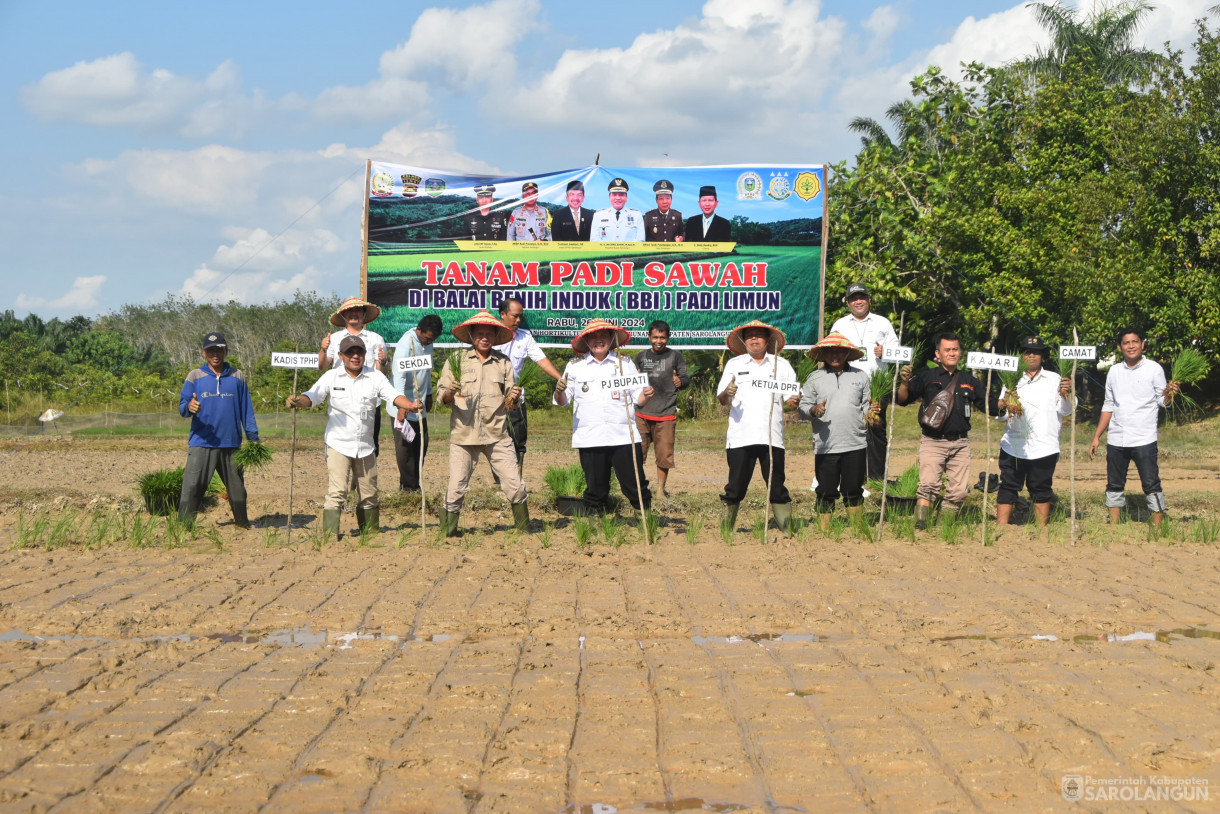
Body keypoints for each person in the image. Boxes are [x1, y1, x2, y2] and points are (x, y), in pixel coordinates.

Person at [287, 336, 416, 538]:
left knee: (370, 494)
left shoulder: (376, 377)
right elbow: (313, 396)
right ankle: (330, 537)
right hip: (338, 444)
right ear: (341, 356)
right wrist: (298, 401)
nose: (355, 356)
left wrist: (409, 404)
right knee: (337, 493)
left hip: (365, 446)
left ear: (365, 355)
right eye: (350, 353)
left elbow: (393, 395)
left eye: (360, 352)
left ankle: (369, 534)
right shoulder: (331, 377)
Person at [896, 331, 1004, 530]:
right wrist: (904, 382)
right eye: (948, 350)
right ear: (938, 353)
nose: (952, 353)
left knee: (960, 490)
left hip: (960, 443)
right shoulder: (926, 377)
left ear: (960, 352)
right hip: (932, 440)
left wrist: (1007, 402)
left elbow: (990, 406)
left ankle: (945, 525)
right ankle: (921, 525)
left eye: (955, 349)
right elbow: (902, 399)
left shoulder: (970, 381)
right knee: (928, 485)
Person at [435, 311, 530, 536]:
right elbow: (441, 397)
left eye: (489, 334)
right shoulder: (456, 360)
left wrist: (514, 397)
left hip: (496, 434)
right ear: (471, 335)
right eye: (480, 334)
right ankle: (447, 532)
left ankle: (525, 531)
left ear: (496, 336)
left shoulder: (503, 362)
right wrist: (450, 392)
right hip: (463, 435)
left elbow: (510, 403)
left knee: (514, 485)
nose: (485, 337)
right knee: (457, 486)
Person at [553, 319, 653, 514]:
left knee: (635, 484)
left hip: (624, 434)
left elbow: (638, 398)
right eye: (594, 336)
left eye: (604, 336)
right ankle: (595, 526)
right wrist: (559, 391)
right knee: (595, 488)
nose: (599, 340)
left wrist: (647, 395)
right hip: (590, 436)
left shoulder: (624, 363)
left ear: (611, 338)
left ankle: (646, 519)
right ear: (587, 340)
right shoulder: (575, 366)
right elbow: (563, 400)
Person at [1089, 327, 1179, 528]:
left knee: (1151, 484)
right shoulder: (1114, 371)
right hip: (1117, 438)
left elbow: (1163, 402)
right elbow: (1109, 405)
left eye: (1135, 342)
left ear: (1142, 344)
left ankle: (1158, 525)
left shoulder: (1154, 368)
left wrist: (1170, 394)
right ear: (1120, 347)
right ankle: (1114, 525)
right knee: (1114, 484)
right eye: (1126, 343)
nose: (1131, 346)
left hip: (1143, 438)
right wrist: (1097, 436)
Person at [716, 320, 800, 532]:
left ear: (768, 340)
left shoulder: (781, 365)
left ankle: (786, 528)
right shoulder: (734, 365)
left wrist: (794, 401)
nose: (754, 339)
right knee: (735, 486)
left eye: (758, 335)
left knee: (777, 485)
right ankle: (727, 528)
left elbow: (792, 398)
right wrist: (728, 392)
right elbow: (722, 399)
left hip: (772, 437)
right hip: (740, 437)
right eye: (749, 335)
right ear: (743, 341)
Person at [177, 331, 259, 528]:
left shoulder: (237, 376)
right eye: (211, 350)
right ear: (204, 353)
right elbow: (182, 406)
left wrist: (253, 438)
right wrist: (190, 407)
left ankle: (242, 523)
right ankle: (184, 527)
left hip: (231, 442)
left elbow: (246, 409)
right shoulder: (195, 376)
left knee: (237, 488)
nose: (216, 354)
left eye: (220, 350)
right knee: (193, 486)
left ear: (226, 351)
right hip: (202, 442)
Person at [995, 336, 1074, 528]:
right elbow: (1001, 416)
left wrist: (1067, 393)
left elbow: (1067, 410)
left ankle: (1041, 528)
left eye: (1036, 352)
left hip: (1044, 446)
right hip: (1014, 444)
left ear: (1042, 356)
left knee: (1041, 488)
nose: (1031, 355)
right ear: (1022, 356)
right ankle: (1001, 526)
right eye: (1027, 352)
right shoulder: (1012, 381)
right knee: (1008, 486)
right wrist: (1004, 403)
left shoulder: (1055, 379)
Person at [798, 332, 871, 531]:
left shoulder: (861, 376)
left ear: (848, 353)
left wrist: (873, 414)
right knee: (826, 489)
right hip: (826, 445)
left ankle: (857, 529)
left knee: (854, 489)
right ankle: (825, 532)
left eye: (840, 351)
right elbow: (803, 408)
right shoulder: (815, 378)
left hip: (855, 442)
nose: (835, 355)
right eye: (830, 352)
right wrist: (813, 410)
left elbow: (866, 407)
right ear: (823, 354)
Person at [830, 283, 899, 480]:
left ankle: (877, 477)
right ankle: (853, 476)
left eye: (862, 297)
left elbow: (898, 353)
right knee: (851, 428)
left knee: (876, 430)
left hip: (877, 386)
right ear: (848, 302)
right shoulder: (840, 325)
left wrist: (885, 351)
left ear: (869, 300)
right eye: (853, 298)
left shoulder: (882, 323)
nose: (858, 301)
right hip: (848, 384)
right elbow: (831, 351)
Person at [493, 296, 564, 471]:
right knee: (494, 440)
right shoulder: (490, 336)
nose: (518, 320)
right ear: (503, 314)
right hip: (492, 398)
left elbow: (541, 359)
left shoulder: (525, 337)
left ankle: (516, 478)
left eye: (520, 317)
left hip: (515, 399)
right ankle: (500, 481)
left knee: (518, 438)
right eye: (514, 316)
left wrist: (560, 378)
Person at [319, 296, 389, 456]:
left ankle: (361, 480)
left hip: (369, 399)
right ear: (343, 315)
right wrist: (323, 349)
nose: (354, 314)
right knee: (339, 440)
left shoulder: (376, 339)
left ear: (364, 315)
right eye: (350, 311)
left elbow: (381, 373)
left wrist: (383, 361)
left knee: (369, 443)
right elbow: (322, 366)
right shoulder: (334, 339)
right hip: (341, 398)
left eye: (358, 310)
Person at [634, 320, 690, 497]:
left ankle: (660, 490)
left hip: (666, 414)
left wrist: (680, 382)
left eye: (663, 337)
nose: (659, 341)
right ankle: (639, 490)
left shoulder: (675, 357)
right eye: (655, 337)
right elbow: (633, 381)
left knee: (664, 456)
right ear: (649, 337)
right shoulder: (641, 357)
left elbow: (686, 379)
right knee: (637, 455)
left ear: (668, 338)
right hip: (641, 414)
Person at [389, 314, 442, 492]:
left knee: (421, 444)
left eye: (433, 339)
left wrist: (429, 394)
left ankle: (414, 483)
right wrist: (402, 405)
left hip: (419, 402)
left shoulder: (428, 343)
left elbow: (426, 371)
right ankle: (409, 488)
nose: (429, 342)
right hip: (403, 403)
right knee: (405, 449)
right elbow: (399, 376)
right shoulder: (406, 343)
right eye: (427, 338)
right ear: (418, 330)